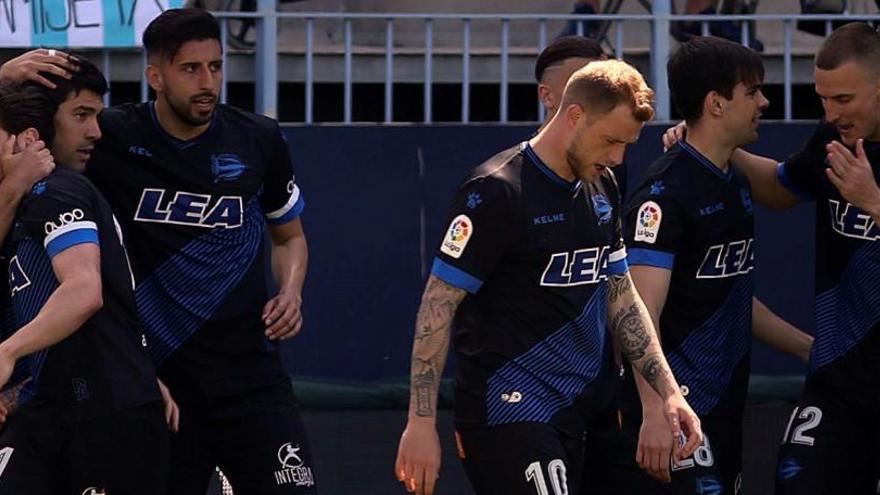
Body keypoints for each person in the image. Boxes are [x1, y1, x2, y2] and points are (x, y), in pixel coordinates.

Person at [0, 8, 315, 494]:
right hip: (161, 380)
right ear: (156, 77)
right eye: (190, 69)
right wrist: (4, 79)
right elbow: (46, 118)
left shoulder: (259, 139)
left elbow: (288, 236)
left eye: (216, 66)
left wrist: (291, 290)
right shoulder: (110, 138)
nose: (207, 82)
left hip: (249, 377)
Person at [394, 59, 703, 495]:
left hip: (588, 408)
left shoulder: (603, 185)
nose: (617, 157)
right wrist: (420, 424)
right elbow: (437, 304)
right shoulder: (498, 189)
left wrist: (668, 392)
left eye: (627, 145)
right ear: (574, 115)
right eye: (611, 141)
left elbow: (621, 294)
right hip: (511, 410)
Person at [662, 22, 880, 494]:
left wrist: (875, 203)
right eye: (823, 99)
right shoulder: (836, 137)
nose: (831, 113)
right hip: (841, 382)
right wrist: (715, 145)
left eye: (844, 100)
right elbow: (781, 189)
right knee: (797, 482)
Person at [610, 36, 812, 495]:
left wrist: (807, 348)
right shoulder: (664, 194)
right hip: (676, 413)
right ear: (716, 104)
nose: (765, 101)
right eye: (752, 91)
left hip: (722, 409)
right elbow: (636, 315)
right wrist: (657, 409)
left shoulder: (732, 179)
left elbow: (729, 295)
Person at [0, 67, 169, 494]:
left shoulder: (55, 192)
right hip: (53, 407)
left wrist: (7, 351)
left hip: (106, 414)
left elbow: (84, 290)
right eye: (81, 115)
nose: (95, 131)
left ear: (23, 138)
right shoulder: (22, 199)